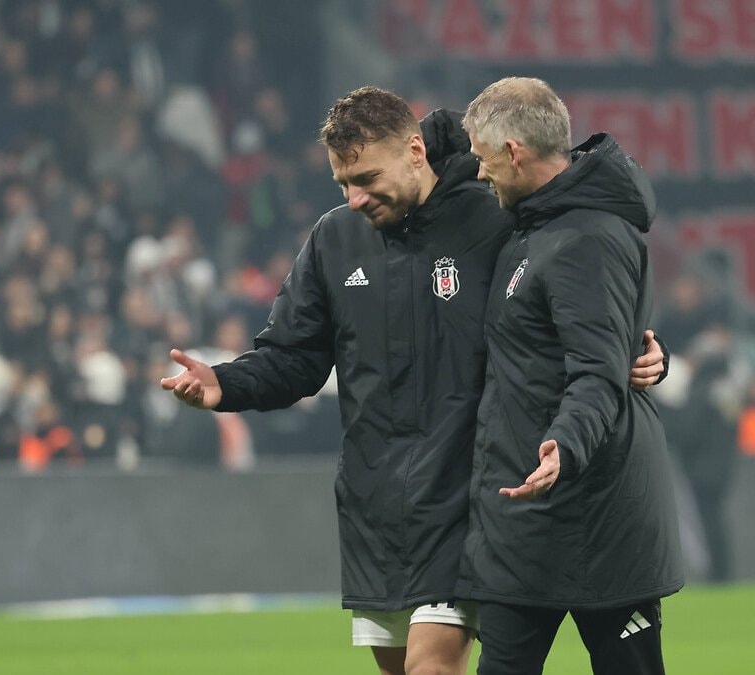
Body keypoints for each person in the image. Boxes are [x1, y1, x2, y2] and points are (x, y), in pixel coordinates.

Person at [159, 87, 666, 675]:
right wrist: (226, 383)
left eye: (367, 178)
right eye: (342, 183)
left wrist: (645, 352)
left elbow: (577, 302)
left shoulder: (493, 214)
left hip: (467, 496)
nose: (354, 198)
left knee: (432, 669)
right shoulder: (334, 240)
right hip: (376, 505)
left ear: (415, 151)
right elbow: (295, 358)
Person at [457, 77, 684, 675]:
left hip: (598, 510)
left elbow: (598, 370)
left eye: (483, 158)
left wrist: (566, 443)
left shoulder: (586, 237)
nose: (478, 173)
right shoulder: (534, 227)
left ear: (514, 152)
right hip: (526, 513)